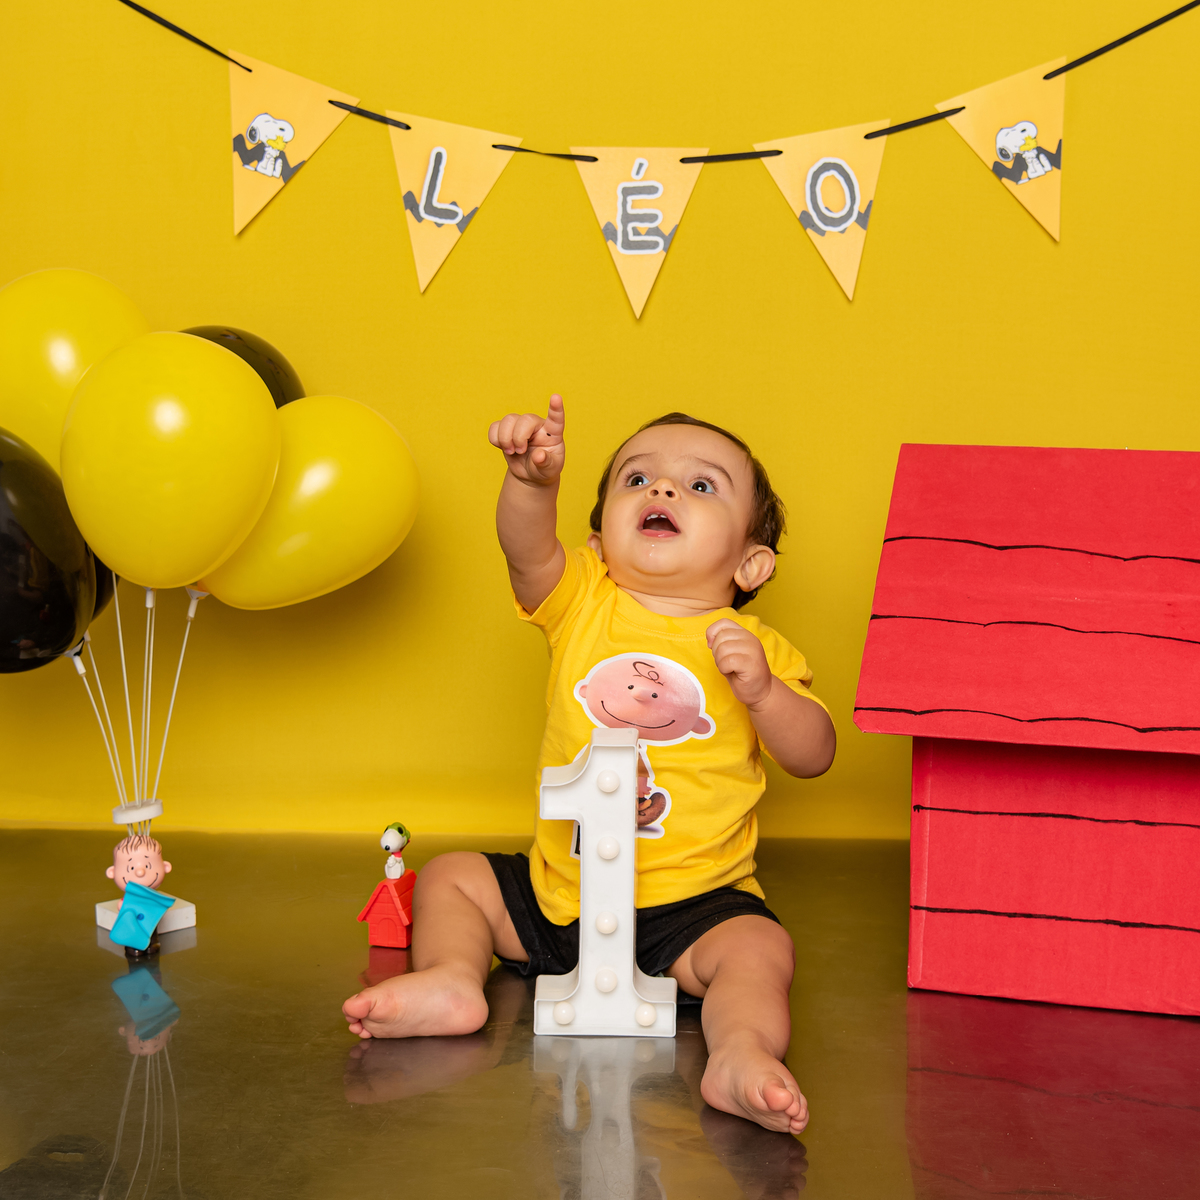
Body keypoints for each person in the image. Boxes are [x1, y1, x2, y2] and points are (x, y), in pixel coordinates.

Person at [343, 395, 836, 1134]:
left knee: (761, 949)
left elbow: (814, 755)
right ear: (600, 541)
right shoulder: (583, 603)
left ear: (750, 561)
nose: (662, 488)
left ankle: (740, 1052)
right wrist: (531, 484)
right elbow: (526, 552)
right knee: (453, 876)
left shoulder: (756, 649)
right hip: (557, 894)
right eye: (638, 479)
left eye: (701, 485)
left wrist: (765, 693)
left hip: (692, 910)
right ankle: (451, 981)